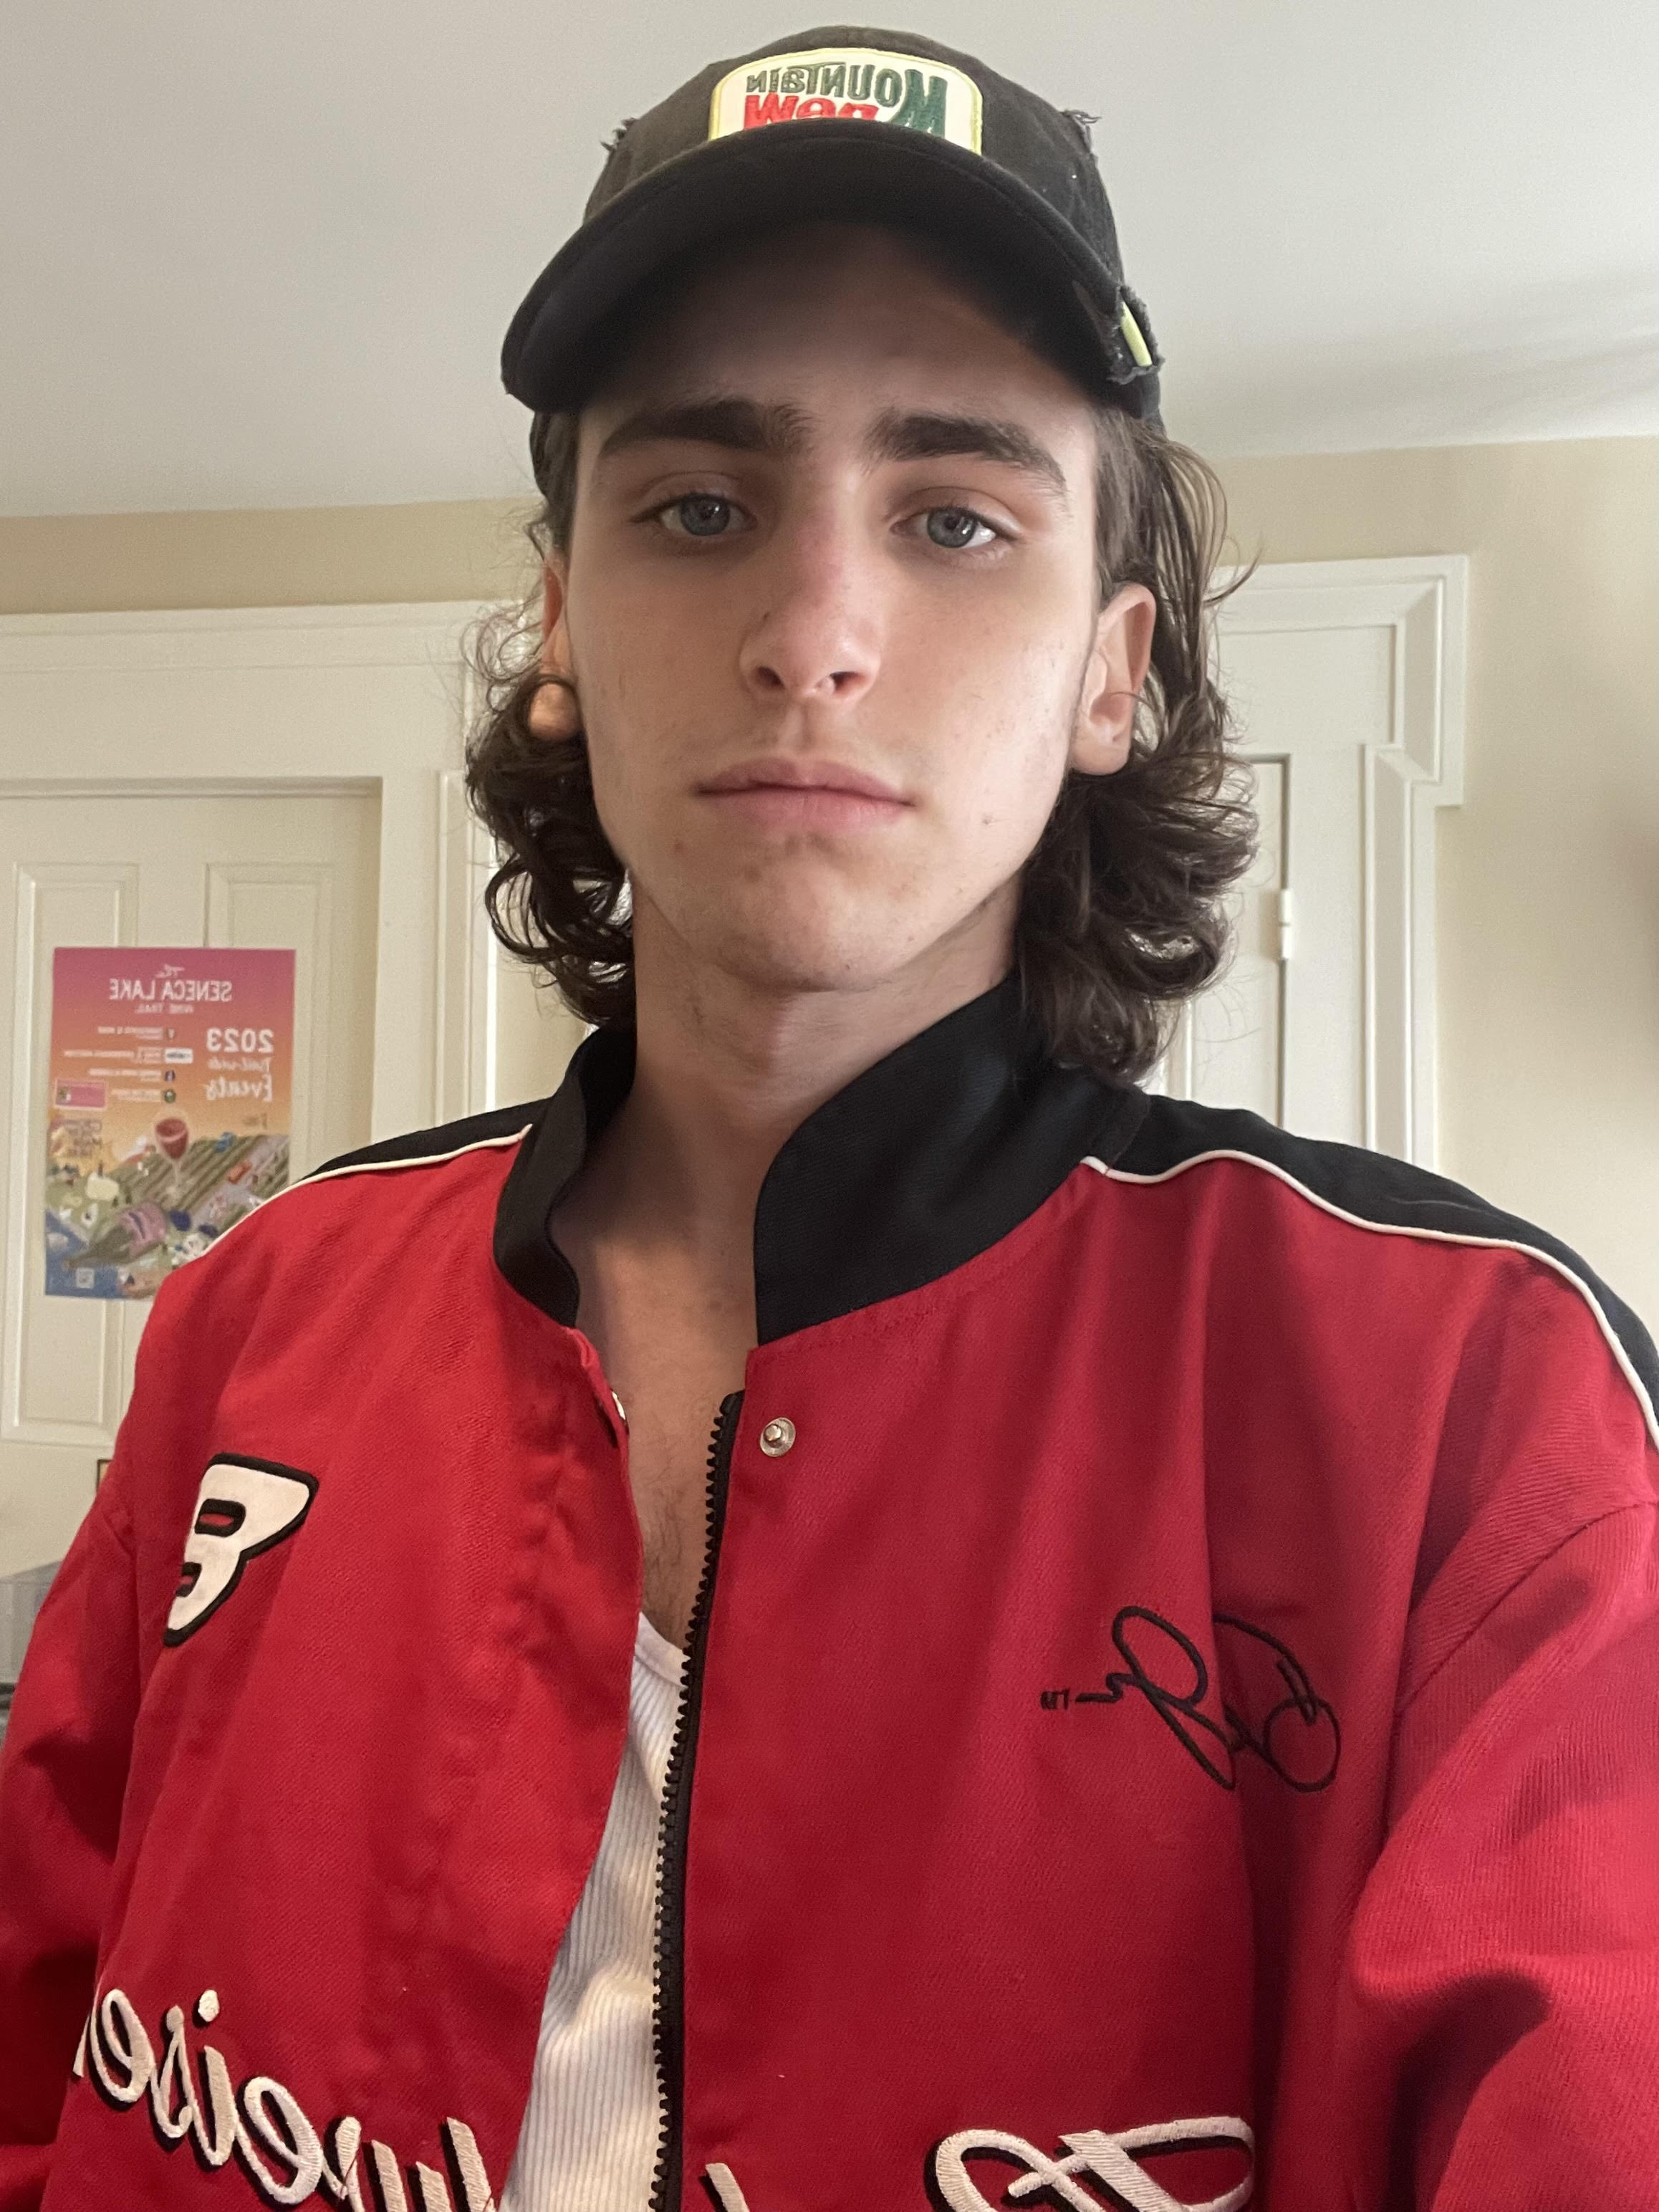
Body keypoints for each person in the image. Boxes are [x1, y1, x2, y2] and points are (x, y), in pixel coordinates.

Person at [1, 24, 1655, 2212]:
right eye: (698, 509)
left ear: (1108, 671)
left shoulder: (1469, 1393)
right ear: (561, 629)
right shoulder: (260, 1306)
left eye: (955, 519)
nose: (811, 633)